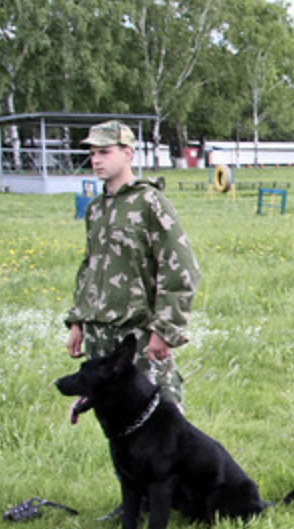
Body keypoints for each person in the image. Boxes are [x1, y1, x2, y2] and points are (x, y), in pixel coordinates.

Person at [66, 120, 200, 409]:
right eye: (92, 154)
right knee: (115, 418)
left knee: (161, 417)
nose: (96, 160)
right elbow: (90, 267)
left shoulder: (150, 203)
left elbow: (180, 268)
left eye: (104, 152)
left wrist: (165, 329)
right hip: (99, 334)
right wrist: (78, 320)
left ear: (128, 153)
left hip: (138, 335)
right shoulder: (96, 209)